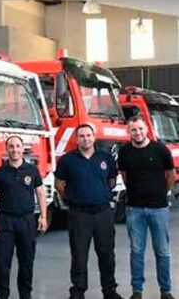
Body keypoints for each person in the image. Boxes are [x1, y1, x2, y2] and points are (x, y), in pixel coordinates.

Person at [54, 124, 124, 299]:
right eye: (82, 136)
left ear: (94, 137)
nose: (85, 139)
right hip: (79, 214)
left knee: (106, 253)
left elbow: (112, 181)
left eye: (88, 135)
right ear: (77, 139)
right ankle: (78, 292)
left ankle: (110, 291)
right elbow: (59, 184)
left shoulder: (106, 158)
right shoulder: (67, 160)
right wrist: (73, 197)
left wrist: (99, 193)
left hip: (103, 213)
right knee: (79, 254)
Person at [118, 116, 176, 299]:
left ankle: (165, 291)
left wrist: (160, 193)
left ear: (147, 129)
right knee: (136, 251)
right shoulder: (125, 152)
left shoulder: (160, 150)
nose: (138, 133)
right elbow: (124, 176)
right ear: (129, 132)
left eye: (141, 129)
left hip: (159, 208)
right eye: (134, 130)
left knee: (163, 252)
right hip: (134, 209)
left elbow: (170, 176)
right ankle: (137, 291)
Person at [0, 135, 48, 299]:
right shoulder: (0, 172)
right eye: (11, 146)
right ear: (7, 149)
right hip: (5, 220)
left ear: (23, 149)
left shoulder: (32, 170)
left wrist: (43, 216)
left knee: (27, 261)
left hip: (27, 220)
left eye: (18, 146)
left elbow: (41, 193)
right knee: (2, 262)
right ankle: (2, 294)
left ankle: (25, 294)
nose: (15, 149)